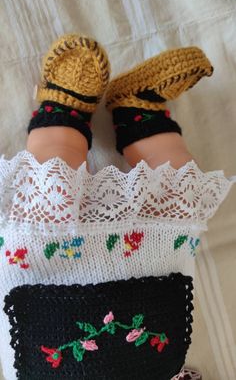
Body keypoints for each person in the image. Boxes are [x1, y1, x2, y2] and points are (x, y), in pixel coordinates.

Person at [0, 34, 235, 380]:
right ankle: (138, 112)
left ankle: (64, 111)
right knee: (178, 193)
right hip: (155, 265)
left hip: (45, 270)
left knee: (49, 183)